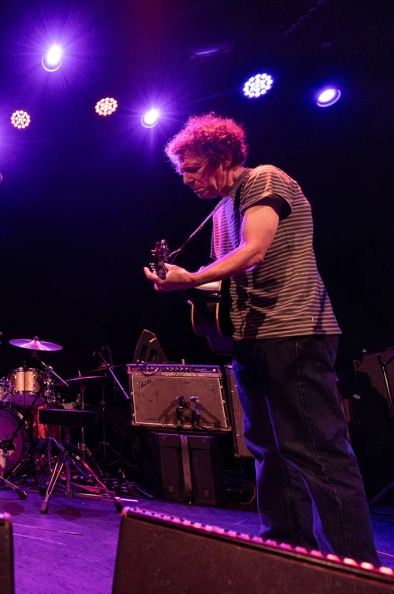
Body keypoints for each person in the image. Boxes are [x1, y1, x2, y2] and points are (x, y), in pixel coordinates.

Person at [143, 113, 379, 565]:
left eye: (193, 168)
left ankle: (355, 568)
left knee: (317, 452)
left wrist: (192, 275)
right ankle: (287, 553)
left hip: (293, 333)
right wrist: (182, 281)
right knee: (268, 450)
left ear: (223, 156)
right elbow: (225, 280)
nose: (187, 179)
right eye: (182, 172)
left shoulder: (264, 180)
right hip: (252, 341)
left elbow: (254, 250)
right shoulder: (219, 214)